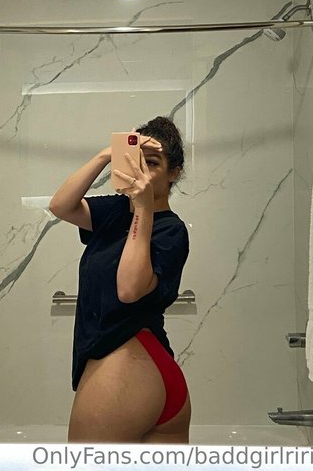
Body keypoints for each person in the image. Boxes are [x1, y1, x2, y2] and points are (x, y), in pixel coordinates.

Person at [49, 116, 191, 443]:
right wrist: (105, 155)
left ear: (173, 172)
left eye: (152, 163)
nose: (141, 171)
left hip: (126, 367)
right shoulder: (114, 211)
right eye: (136, 161)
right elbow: (60, 206)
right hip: (141, 372)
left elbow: (129, 289)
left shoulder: (171, 230)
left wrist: (143, 208)